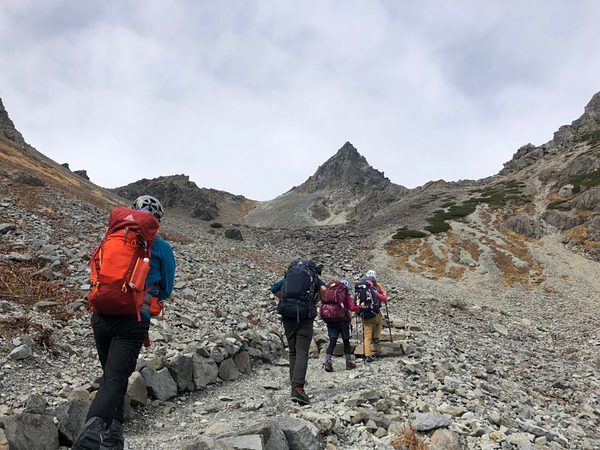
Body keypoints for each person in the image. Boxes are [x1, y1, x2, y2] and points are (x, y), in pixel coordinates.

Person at [72, 195, 175, 450]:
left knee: (111, 376)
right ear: (157, 221)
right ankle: (89, 438)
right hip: (133, 320)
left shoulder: (111, 238)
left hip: (101, 315)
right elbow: (167, 288)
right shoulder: (161, 248)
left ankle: (113, 438)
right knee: (114, 379)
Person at [272, 260, 325, 406]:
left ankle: (293, 387)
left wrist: (283, 300)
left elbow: (274, 288)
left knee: (293, 351)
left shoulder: (289, 276)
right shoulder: (314, 277)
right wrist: (314, 302)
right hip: (305, 317)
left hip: (288, 317)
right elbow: (324, 290)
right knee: (302, 352)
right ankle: (299, 388)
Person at [320, 279, 360, 372]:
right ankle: (348, 363)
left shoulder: (330, 294)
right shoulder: (346, 295)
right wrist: (360, 307)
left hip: (330, 319)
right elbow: (352, 308)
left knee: (332, 341)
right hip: (343, 321)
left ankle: (328, 362)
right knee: (346, 341)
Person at [357, 270, 388, 363]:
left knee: (367, 336)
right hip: (374, 313)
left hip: (364, 315)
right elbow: (384, 297)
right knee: (379, 323)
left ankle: (368, 355)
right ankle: (376, 337)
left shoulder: (360, 289)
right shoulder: (375, 288)